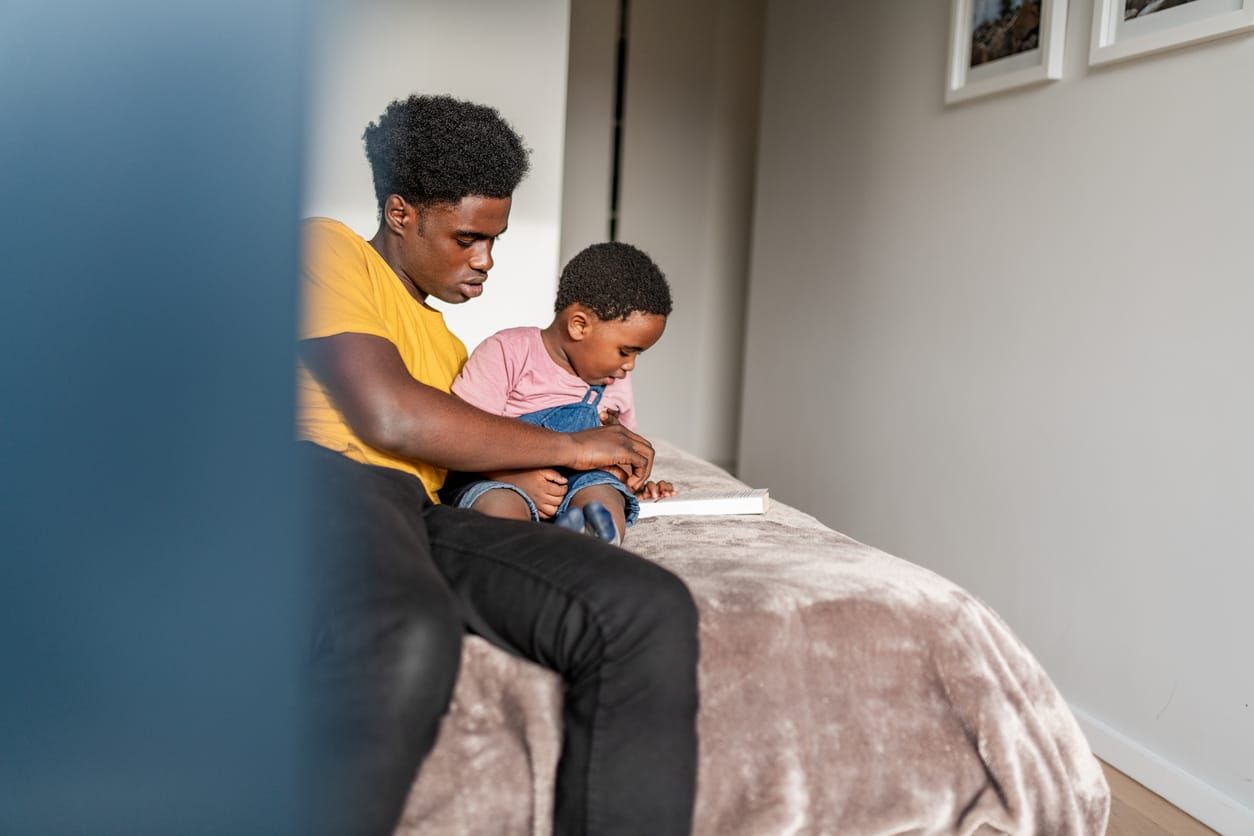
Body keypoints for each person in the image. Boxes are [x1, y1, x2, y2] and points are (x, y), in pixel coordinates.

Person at [298, 94, 699, 836]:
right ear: (400, 213)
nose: (485, 260)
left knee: (647, 610)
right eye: (467, 238)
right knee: (410, 631)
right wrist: (574, 446)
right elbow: (388, 415)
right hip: (319, 486)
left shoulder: (452, 354)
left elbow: (455, 455)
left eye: (495, 240)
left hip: (419, 516)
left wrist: (529, 474)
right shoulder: (327, 251)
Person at [446, 241, 677, 544]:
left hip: (582, 479)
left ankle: (592, 542)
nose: (630, 365)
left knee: (602, 495)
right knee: (500, 506)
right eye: (625, 351)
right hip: (500, 476)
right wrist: (510, 476)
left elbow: (619, 452)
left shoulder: (613, 381)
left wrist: (631, 482)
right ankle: (522, 552)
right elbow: (460, 435)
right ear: (579, 325)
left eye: (637, 355)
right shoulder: (508, 352)